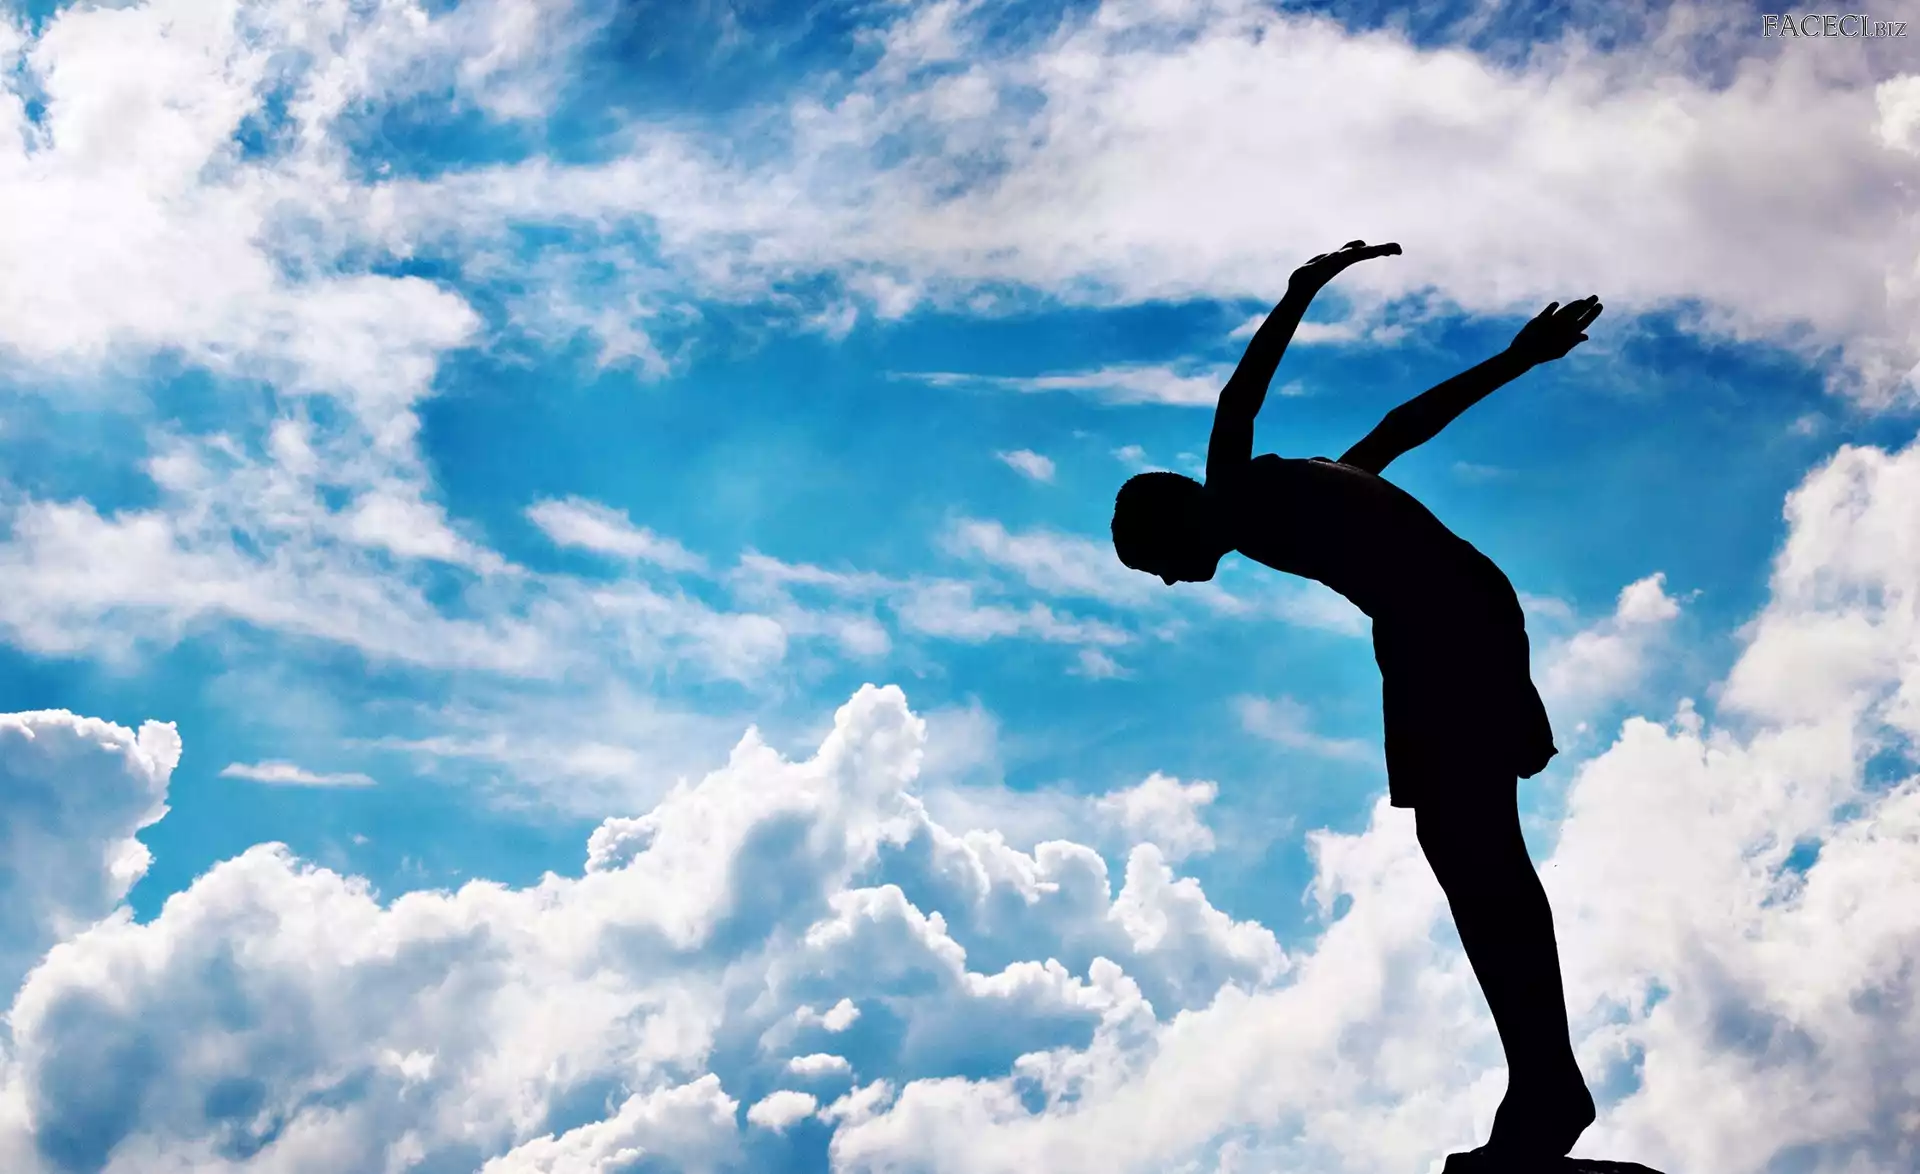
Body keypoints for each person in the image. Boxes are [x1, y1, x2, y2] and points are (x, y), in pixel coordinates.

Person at [1110, 240, 1604, 1167]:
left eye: (1154, 563)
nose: (1170, 582)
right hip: (1450, 620)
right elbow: (1402, 427)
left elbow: (1236, 400)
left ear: (1174, 520)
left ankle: (1549, 1084)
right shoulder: (1286, 493)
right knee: (1471, 852)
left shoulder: (1234, 490)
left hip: (1442, 627)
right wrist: (1515, 360)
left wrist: (1301, 289)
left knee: (1476, 852)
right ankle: (1544, 1077)